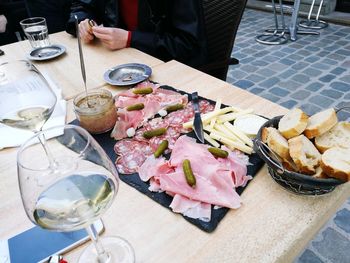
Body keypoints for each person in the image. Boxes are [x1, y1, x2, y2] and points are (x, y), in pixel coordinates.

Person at [66, 0, 208, 69]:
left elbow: (189, 44)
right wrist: (82, 22)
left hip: (170, 71)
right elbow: (81, 5)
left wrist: (130, 39)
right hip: (120, 66)